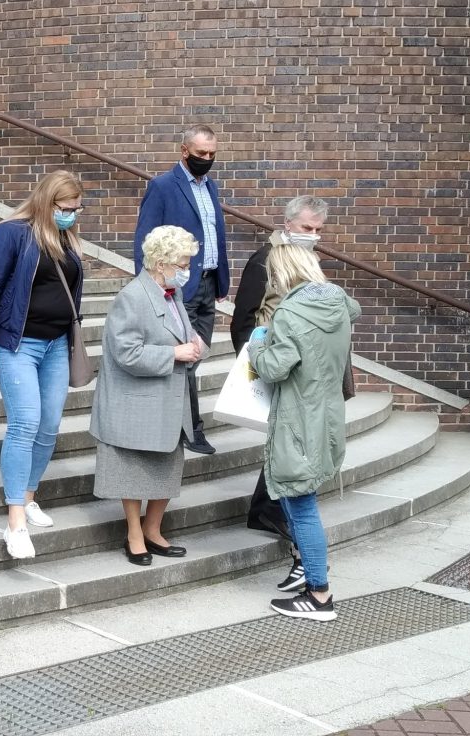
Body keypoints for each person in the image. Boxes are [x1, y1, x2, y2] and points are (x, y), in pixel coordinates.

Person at [0, 170, 84, 559]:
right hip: (17, 345)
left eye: (77, 208)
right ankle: (15, 519)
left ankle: (30, 495)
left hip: (56, 345)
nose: (71, 215)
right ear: (46, 202)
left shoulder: (66, 239)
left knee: (49, 426)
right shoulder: (12, 234)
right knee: (25, 423)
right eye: (66, 208)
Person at [248, 244, 361, 621]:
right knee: (296, 497)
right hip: (327, 414)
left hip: (298, 418)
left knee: (301, 504)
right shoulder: (339, 303)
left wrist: (257, 344)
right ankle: (310, 573)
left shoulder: (289, 312)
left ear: (282, 272)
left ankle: (319, 594)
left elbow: (274, 368)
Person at [91, 226, 202, 565]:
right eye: (182, 264)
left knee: (167, 468)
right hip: (138, 402)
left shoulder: (172, 292)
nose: (187, 271)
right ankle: (134, 534)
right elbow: (126, 352)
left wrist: (194, 346)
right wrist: (174, 354)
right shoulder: (132, 296)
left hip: (167, 399)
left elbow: (180, 333)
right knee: (132, 471)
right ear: (160, 263)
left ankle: (153, 529)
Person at [230, 195, 328, 542]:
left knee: (287, 436)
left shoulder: (308, 258)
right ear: (288, 224)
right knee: (283, 437)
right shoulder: (265, 259)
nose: (312, 235)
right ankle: (268, 510)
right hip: (271, 360)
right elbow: (243, 318)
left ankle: (267, 509)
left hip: (297, 363)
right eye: (306, 228)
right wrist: (251, 366)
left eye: (317, 229)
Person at [134, 124, 229, 455]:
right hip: (177, 286)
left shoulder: (211, 186)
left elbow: (215, 234)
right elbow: (145, 239)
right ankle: (192, 429)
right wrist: (151, 289)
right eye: (201, 153)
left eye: (212, 153)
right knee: (185, 357)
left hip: (208, 285)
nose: (207, 158)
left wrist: (222, 280)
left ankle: (175, 417)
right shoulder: (162, 186)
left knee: (196, 356)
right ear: (184, 151)